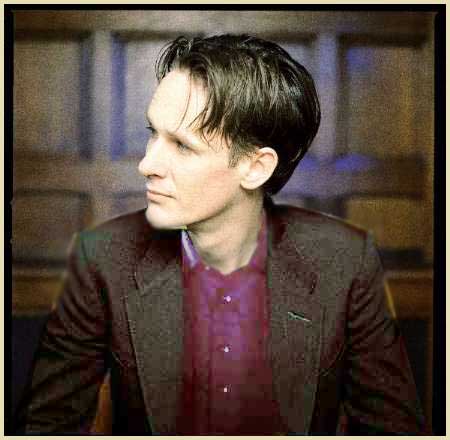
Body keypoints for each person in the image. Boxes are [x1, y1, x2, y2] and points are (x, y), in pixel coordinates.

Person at [15, 34, 426, 435]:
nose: (147, 164)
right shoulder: (103, 257)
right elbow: (44, 427)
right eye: (153, 133)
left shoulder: (345, 260)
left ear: (255, 168)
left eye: (182, 146)